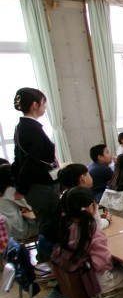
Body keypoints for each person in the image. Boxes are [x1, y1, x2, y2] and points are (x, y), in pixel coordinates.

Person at [58, 187, 123, 295]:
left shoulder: (70, 229)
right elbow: (102, 263)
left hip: (79, 279)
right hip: (97, 282)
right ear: (91, 207)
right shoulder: (93, 231)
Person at [11, 87, 60, 227]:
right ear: (35, 105)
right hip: (42, 186)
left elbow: (18, 160)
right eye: (43, 103)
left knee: (47, 222)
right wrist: (22, 188)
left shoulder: (22, 127)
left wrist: (20, 185)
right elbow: (32, 161)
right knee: (50, 224)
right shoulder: (32, 129)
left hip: (36, 186)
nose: (45, 107)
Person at [0, 162, 39, 240]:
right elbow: (29, 205)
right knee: (47, 225)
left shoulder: (2, 192)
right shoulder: (10, 191)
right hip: (21, 231)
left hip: (8, 233)